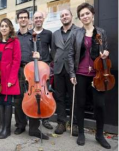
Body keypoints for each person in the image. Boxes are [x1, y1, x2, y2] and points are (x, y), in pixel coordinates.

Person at [68, 3, 111, 149]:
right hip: (80, 73)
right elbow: (70, 54)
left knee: (100, 105)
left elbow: (105, 50)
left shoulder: (101, 32)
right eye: (82, 15)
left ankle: (99, 135)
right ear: (80, 18)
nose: (85, 17)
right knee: (80, 104)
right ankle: (81, 132)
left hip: (97, 75)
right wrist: (72, 73)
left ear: (92, 14)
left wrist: (106, 53)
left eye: (87, 14)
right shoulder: (76, 33)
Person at [13, 9, 49, 140]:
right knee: (18, 100)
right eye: (20, 17)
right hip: (17, 70)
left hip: (31, 70)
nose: (23, 19)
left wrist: (38, 55)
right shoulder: (14, 37)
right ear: (17, 20)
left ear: (28, 20)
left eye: (25, 17)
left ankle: (34, 128)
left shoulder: (34, 35)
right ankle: (20, 125)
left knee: (34, 99)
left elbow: (41, 53)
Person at [51, 9, 79, 136]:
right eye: (62, 16)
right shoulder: (55, 33)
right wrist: (57, 61)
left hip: (72, 69)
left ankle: (74, 123)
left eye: (66, 14)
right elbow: (53, 51)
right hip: (58, 70)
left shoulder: (78, 31)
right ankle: (61, 122)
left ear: (71, 16)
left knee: (74, 98)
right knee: (60, 97)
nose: (64, 17)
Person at [0, 18, 21, 139]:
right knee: (1, 102)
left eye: (6, 26)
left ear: (10, 28)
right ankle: (1, 127)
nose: (3, 28)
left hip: (9, 77)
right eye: (2, 26)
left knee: (8, 102)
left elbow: (16, 61)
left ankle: (7, 129)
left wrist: (12, 80)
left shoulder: (15, 42)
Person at [32, 11, 53, 130]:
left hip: (45, 68)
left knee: (45, 93)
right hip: (32, 67)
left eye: (40, 17)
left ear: (43, 19)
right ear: (33, 20)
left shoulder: (49, 34)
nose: (38, 19)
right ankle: (33, 116)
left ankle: (45, 119)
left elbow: (53, 50)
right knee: (32, 92)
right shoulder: (30, 33)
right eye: (36, 18)